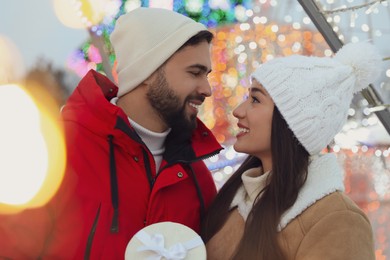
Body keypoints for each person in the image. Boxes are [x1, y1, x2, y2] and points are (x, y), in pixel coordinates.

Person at [0, 7, 222, 259]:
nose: (207, 89)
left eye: (207, 75)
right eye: (194, 72)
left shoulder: (197, 179)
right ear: (148, 71)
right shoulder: (55, 155)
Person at [202, 42, 382, 260]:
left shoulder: (338, 219)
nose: (238, 111)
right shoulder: (236, 198)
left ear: (291, 121)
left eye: (256, 99)